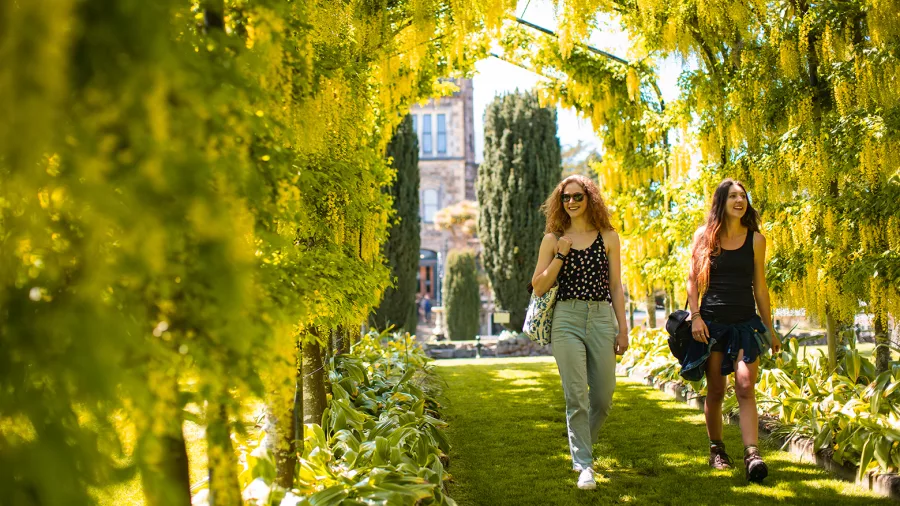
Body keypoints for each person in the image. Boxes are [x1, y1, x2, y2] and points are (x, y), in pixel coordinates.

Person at [530, 175, 628, 490]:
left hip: (601, 318)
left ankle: (580, 443)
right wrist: (560, 254)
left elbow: (616, 286)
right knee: (576, 396)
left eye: (577, 197)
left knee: (602, 397)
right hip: (566, 318)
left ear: (590, 199)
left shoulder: (609, 237)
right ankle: (584, 464)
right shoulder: (552, 239)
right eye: (566, 198)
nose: (571, 202)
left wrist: (622, 329)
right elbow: (538, 286)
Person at [684, 178, 782, 483]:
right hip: (712, 325)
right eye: (733, 196)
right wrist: (696, 316)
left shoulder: (756, 240)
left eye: (743, 196)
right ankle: (717, 450)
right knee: (715, 390)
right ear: (721, 202)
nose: (740, 201)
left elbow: (761, 288)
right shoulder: (704, 236)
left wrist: (770, 327)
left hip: (744, 325)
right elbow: (691, 280)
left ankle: (752, 454)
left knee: (744, 384)